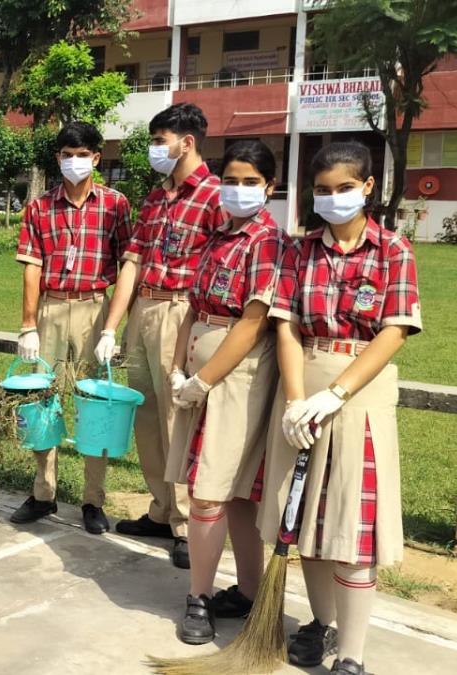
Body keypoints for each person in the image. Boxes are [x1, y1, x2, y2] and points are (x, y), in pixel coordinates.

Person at [264, 141, 421, 675]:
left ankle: (351, 652)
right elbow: (285, 326)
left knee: (353, 523)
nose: (333, 199)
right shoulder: (298, 250)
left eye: (345, 189)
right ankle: (320, 622)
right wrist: (294, 400)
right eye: (324, 191)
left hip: (360, 389)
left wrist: (337, 392)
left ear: (368, 187)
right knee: (306, 516)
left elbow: (394, 330)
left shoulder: (393, 251)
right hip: (304, 379)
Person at [165, 140, 284, 645]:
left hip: (238, 379)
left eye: (249, 182)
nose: (237, 190)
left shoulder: (267, 241)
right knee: (230, 491)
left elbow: (253, 321)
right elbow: (193, 307)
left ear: (269, 187)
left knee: (214, 491)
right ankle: (251, 592)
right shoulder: (219, 237)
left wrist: (205, 378)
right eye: (230, 180)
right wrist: (177, 367)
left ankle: (199, 597)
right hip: (200, 370)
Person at [99, 102, 224, 569]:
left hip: (182, 311)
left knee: (178, 419)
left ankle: (187, 523)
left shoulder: (215, 195)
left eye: (159, 141)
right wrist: (113, 326)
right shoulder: (154, 198)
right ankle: (161, 507)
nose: (155, 149)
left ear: (185, 142)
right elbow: (132, 262)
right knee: (146, 414)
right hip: (145, 309)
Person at [11, 120, 132, 533]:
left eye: (82, 155)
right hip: (51, 307)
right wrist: (28, 325)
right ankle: (43, 493)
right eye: (67, 154)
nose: (74, 162)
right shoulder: (40, 207)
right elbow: (31, 267)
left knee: (96, 406)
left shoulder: (116, 205)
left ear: (96, 158)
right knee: (42, 400)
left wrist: (112, 328)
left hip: (94, 308)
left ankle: (92, 501)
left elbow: (127, 268)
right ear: (57, 157)